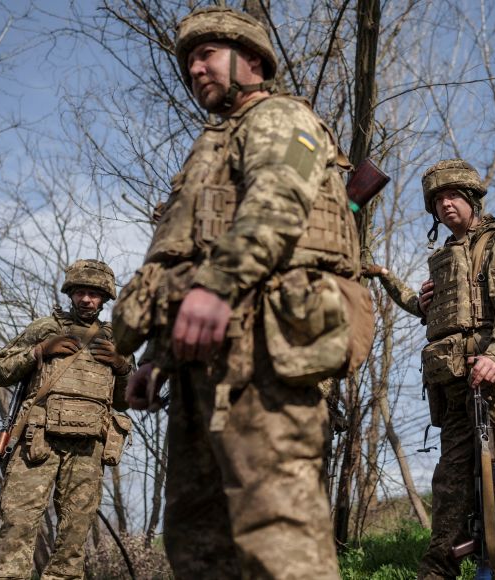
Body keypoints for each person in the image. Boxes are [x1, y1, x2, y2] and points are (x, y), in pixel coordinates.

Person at [117, 6, 367, 578]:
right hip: (199, 365)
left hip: (261, 357)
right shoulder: (208, 149)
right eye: (188, 60)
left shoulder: (280, 118)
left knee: (279, 538)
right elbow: (185, 260)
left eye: (207, 54)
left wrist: (218, 285)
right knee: (198, 543)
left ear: (251, 60)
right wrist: (155, 358)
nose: (195, 68)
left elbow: (277, 204)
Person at [366, 159, 495, 579]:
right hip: (455, 391)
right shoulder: (446, 257)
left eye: (452, 196)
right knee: (450, 489)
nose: (445, 205)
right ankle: (437, 572)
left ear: (471, 199)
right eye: (437, 200)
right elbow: (441, 315)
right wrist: (403, 288)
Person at [0, 259, 132, 580]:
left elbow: (125, 400)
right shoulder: (45, 328)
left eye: (94, 294)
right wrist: (39, 351)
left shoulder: (116, 340)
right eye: (80, 292)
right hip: (37, 441)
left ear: (105, 298)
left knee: (75, 533)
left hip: (88, 448)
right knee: (19, 523)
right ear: (71, 293)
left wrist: (122, 367)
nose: (86, 300)